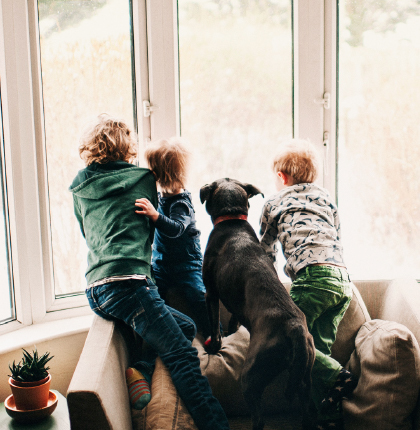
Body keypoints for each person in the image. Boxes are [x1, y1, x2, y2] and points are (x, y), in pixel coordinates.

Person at [69, 114, 230, 430]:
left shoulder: (79, 188)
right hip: (130, 285)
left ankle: (140, 372)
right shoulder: (142, 180)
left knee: (182, 327)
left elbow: (90, 236)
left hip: (95, 291)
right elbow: (160, 208)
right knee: (183, 357)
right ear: (128, 149)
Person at [259, 138, 358, 429]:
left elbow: (264, 251)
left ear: (281, 177)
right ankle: (326, 418)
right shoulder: (326, 197)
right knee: (315, 352)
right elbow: (335, 234)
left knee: (289, 341)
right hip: (342, 281)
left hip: (312, 279)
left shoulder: (274, 202)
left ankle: (339, 376)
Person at [134, 137, 211, 339]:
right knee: (154, 297)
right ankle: (163, 337)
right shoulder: (159, 198)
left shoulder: (181, 203)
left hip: (187, 265)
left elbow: (176, 228)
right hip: (161, 264)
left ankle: (214, 331)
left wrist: (155, 215)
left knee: (198, 297)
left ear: (161, 175)